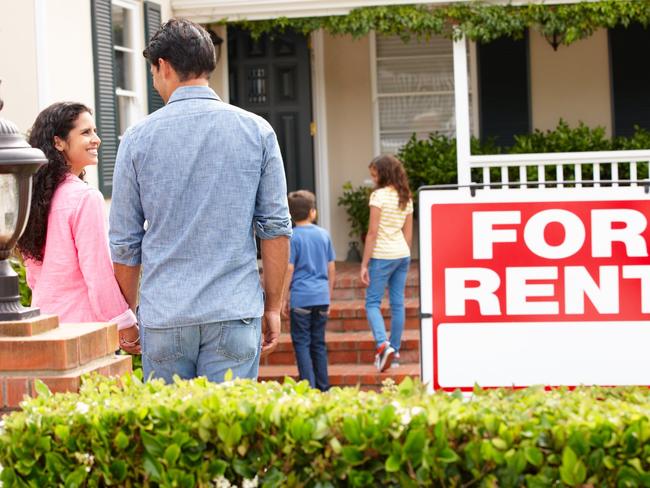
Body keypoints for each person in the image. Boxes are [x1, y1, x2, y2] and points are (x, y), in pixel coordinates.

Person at [109, 19, 291, 384]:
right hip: (234, 308)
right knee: (229, 436)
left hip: (166, 314)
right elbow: (275, 229)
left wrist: (127, 315)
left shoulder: (137, 139)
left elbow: (125, 243)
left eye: (154, 72)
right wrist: (273, 306)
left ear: (163, 66)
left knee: (168, 435)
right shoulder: (257, 131)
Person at [17, 102, 140, 353]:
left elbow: (33, 275)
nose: (96, 139)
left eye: (95, 131)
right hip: (84, 331)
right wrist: (126, 324)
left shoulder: (33, 197)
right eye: (85, 133)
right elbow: (98, 274)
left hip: (45, 326)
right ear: (59, 142)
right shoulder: (85, 198)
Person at [360, 155, 413, 372]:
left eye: (375, 174)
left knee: (372, 303)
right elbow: (408, 234)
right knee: (397, 304)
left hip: (382, 255)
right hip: (402, 254)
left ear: (384, 173)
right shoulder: (406, 196)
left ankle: (383, 345)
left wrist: (364, 263)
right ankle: (396, 351)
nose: (373, 178)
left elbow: (372, 233)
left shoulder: (378, 196)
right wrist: (404, 253)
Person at [282, 190, 335, 391]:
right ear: (312, 212)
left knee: (302, 343)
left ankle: (308, 387)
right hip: (321, 296)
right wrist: (328, 296)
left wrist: (283, 298)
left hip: (301, 298)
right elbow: (331, 268)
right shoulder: (324, 235)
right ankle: (324, 387)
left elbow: (289, 269)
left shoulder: (293, 238)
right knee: (318, 344)